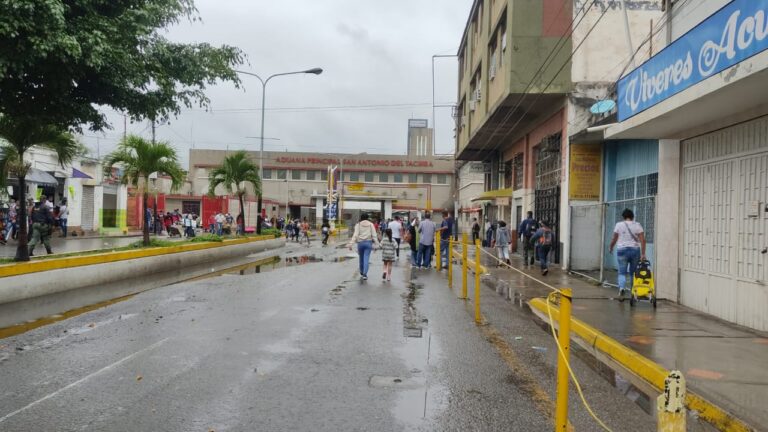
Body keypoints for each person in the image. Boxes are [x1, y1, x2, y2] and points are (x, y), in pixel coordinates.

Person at [608, 208, 646, 299]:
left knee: (622, 272)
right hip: (635, 250)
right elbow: (642, 240)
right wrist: (643, 254)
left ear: (623, 217)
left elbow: (614, 238)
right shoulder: (637, 225)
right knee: (633, 273)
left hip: (622, 250)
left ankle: (621, 288)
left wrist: (611, 247)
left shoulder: (619, 225)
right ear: (632, 216)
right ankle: (633, 291)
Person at [348, 213, 380, 280]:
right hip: (368, 243)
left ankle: (361, 272)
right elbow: (374, 235)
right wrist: (377, 244)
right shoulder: (371, 224)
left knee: (361, 258)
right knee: (366, 259)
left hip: (360, 243)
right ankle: (365, 274)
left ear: (361, 218)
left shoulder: (358, 224)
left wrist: (351, 243)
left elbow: (355, 235)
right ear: (367, 218)